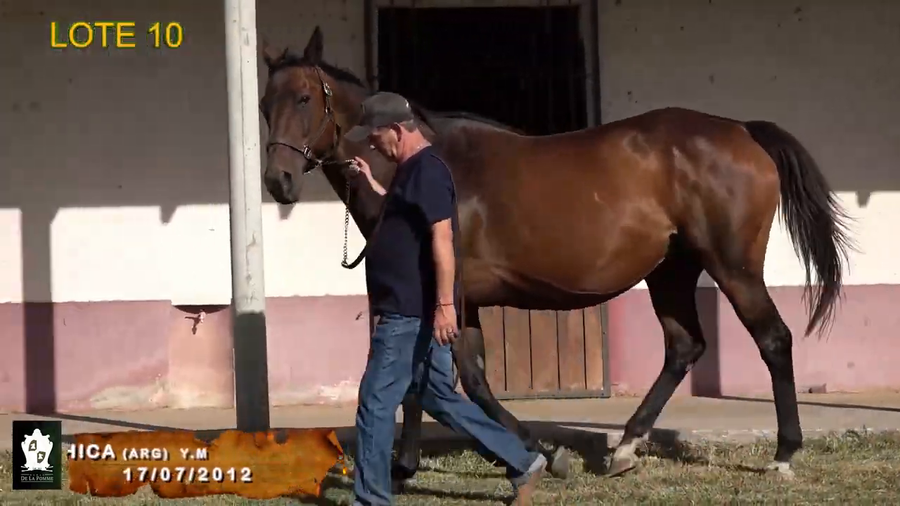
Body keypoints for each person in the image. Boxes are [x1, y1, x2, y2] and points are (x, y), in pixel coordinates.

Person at [343, 92, 546, 506]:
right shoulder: (409, 171)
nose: (371, 143)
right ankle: (522, 460)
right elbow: (402, 215)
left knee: (375, 405)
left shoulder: (429, 172)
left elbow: (442, 240)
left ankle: (371, 501)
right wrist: (369, 179)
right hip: (413, 310)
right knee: (439, 397)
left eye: (375, 136)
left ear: (397, 131)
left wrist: (444, 308)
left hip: (410, 313)